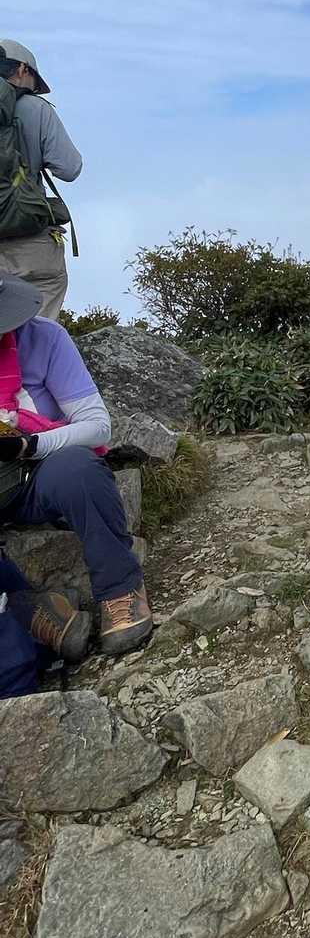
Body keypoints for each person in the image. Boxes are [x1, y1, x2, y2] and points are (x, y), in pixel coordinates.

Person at [0, 275, 151, 700]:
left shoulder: (44, 339)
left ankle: (120, 590)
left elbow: (96, 425)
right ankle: (30, 609)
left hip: (34, 474)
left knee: (80, 470)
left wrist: (30, 444)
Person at [0, 39, 82, 320]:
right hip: (29, 240)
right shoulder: (36, 108)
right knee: (43, 302)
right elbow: (70, 168)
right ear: (23, 69)